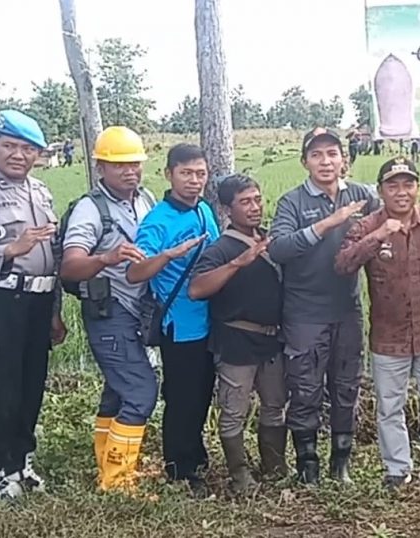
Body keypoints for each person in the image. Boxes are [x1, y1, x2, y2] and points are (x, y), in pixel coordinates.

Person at [336, 158, 420, 493]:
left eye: (408, 184)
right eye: (393, 185)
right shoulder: (367, 225)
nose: (401, 192)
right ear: (381, 191)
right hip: (389, 336)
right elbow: (343, 263)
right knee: (390, 406)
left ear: (418, 187)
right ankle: (397, 470)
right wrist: (378, 236)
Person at [267, 127, 378, 485]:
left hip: (347, 310)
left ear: (344, 159)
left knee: (346, 388)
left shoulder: (363, 196)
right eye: (316, 155)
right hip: (304, 314)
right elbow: (279, 248)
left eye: (332, 153)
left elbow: (395, 220)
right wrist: (328, 223)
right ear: (305, 162)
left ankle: (340, 464)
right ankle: (307, 465)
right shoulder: (292, 202)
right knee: (305, 390)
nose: (325, 161)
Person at [60, 126, 157, 491]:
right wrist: (107, 257)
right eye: (119, 165)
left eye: (135, 163)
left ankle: (107, 464)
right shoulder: (90, 209)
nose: (130, 171)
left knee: (117, 391)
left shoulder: (144, 199)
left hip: (139, 311)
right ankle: (117, 482)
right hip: (109, 312)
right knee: (141, 391)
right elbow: (69, 266)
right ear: (100, 167)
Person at [127, 143, 220, 494]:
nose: (194, 181)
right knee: (182, 398)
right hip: (180, 325)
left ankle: (195, 457)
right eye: (186, 173)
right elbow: (135, 272)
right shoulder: (157, 222)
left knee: (201, 394)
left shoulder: (204, 211)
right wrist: (168, 255)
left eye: (200, 173)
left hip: (210, 320)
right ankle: (179, 468)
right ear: (169, 174)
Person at [188, 174, 287, 494]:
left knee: (274, 405)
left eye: (257, 199)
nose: (255, 207)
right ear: (228, 209)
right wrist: (238, 264)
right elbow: (197, 289)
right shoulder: (221, 249)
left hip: (272, 340)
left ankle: (274, 466)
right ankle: (240, 475)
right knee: (234, 410)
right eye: (245, 202)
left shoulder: (272, 240)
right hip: (236, 341)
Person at [0, 110, 66, 503]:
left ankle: (20, 462)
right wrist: (9, 250)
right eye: (10, 146)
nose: (18, 155)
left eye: (27, 148)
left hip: (38, 299)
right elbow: (18, 249)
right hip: (0, 298)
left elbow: (51, 254)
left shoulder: (40, 191)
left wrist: (55, 310)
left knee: (31, 384)